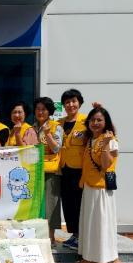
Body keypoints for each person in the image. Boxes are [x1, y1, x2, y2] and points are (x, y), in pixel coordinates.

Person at [74, 107, 120, 263]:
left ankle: (102, 258)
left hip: (101, 188)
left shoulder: (110, 140)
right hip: (89, 186)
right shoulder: (91, 139)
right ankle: (94, 257)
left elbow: (106, 165)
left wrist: (106, 144)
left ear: (106, 122)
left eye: (99, 120)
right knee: (91, 223)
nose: (95, 123)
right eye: (92, 120)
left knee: (101, 223)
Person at [58, 89, 87, 250]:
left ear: (79, 103)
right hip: (64, 169)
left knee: (80, 203)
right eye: (67, 102)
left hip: (80, 170)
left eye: (73, 101)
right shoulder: (59, 123)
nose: (70, 105)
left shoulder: (86, 121)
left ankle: (83, 236)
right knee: (68, 203)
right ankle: (75, 235)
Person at [33, 97, 63, 243]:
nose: (40, 112)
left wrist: (48, 134)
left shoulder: (56, 126)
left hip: (51, 171)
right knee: (36, 204)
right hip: (35, 171)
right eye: (38, 109)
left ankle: (50, 237)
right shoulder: (32, 127)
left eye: (44, 109)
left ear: (49, 111)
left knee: (51, 204)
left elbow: (56, 148)